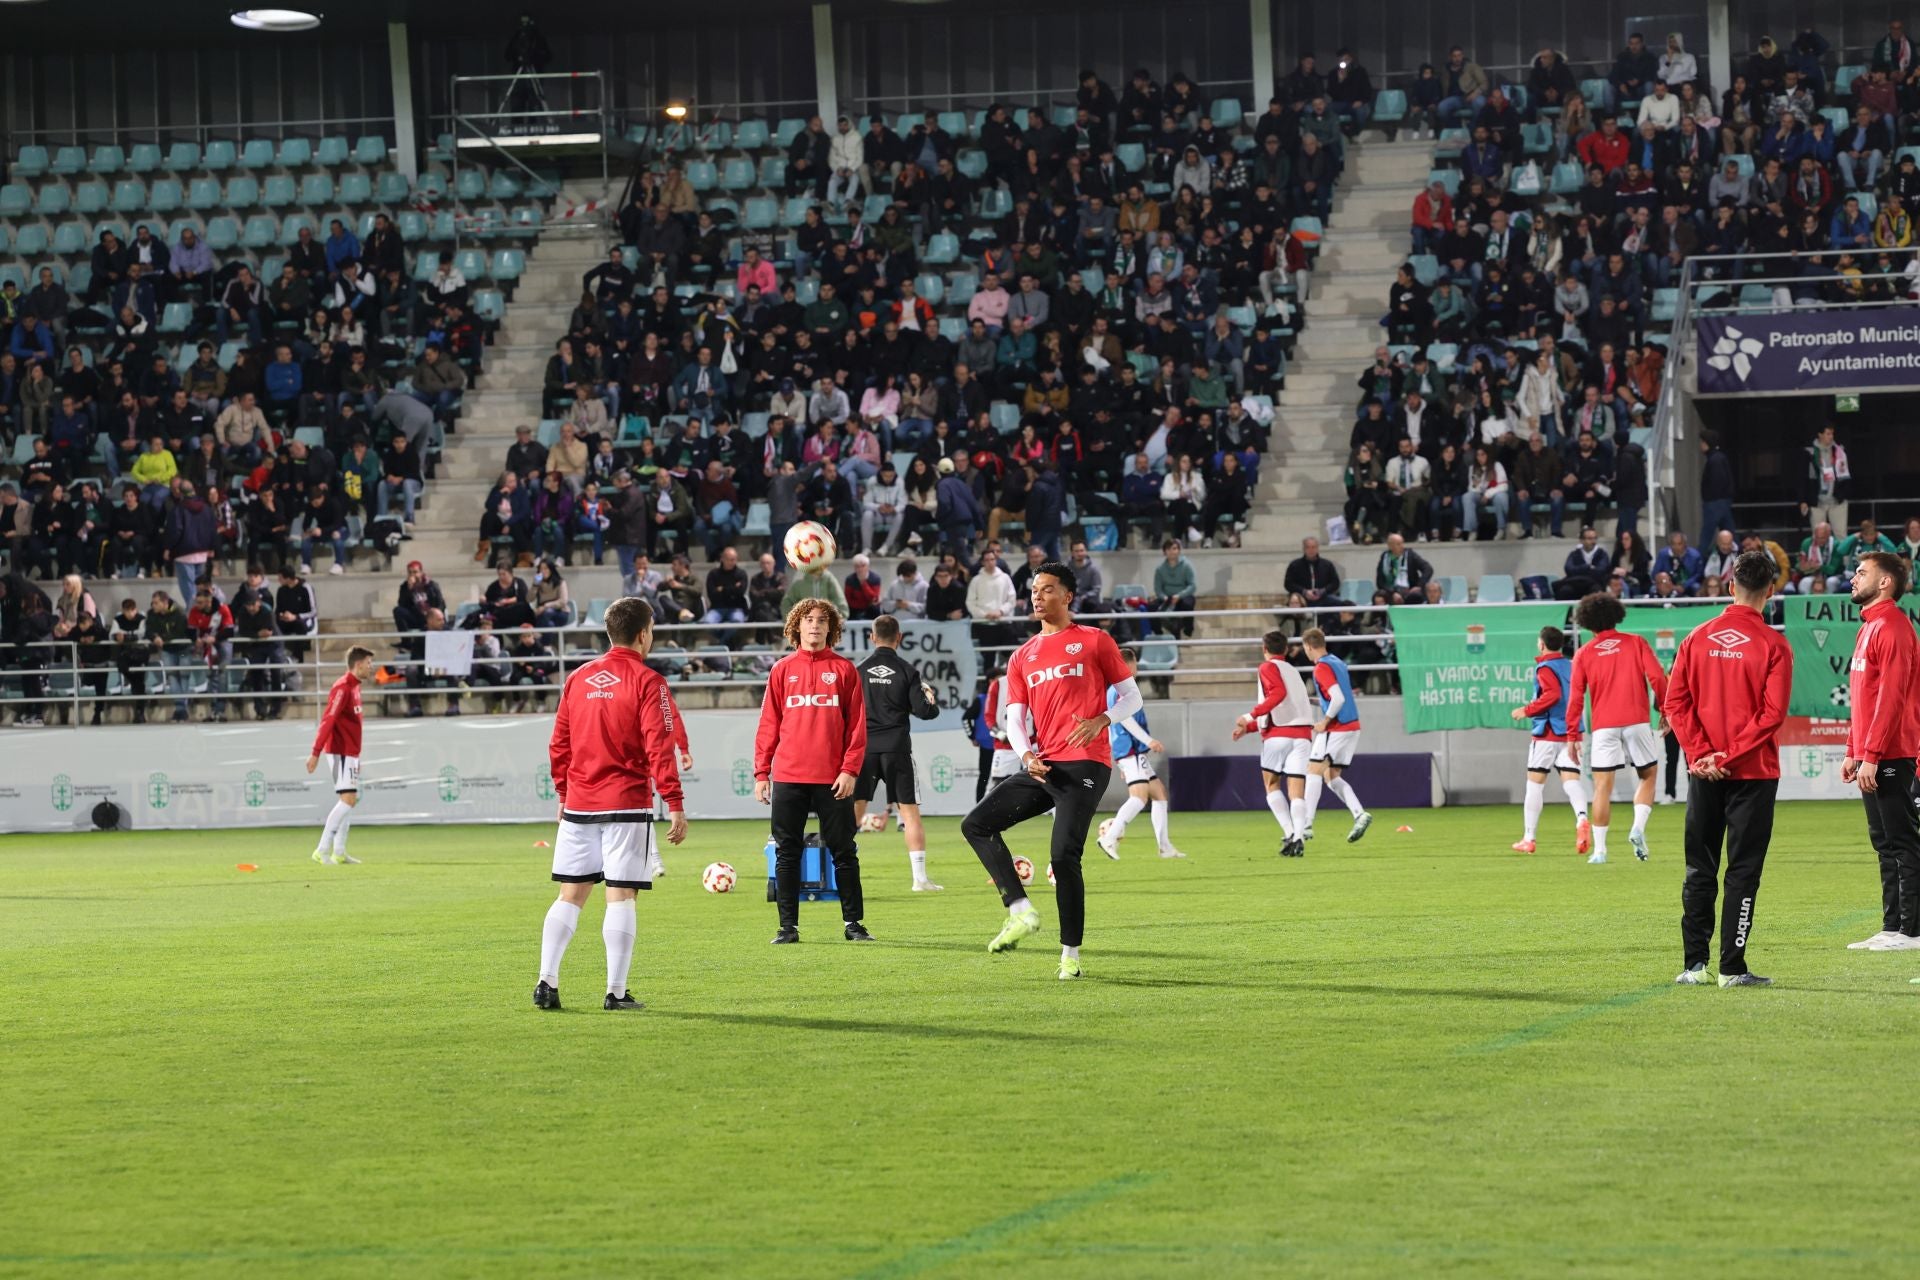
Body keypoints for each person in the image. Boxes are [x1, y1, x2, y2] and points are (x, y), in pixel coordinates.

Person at [959, 559, 1138, 980]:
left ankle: (1070, 955)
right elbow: (1015, 718)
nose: (1038, 596)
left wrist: (1102, 720)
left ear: (1068, 595)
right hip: (1045, 765)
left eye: (1047, 589)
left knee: (1063, 854)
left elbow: (1132, 697)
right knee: (976, 825)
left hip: (1087, 763)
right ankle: (1019, 910)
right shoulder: (1022, 656)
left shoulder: (1094, 641)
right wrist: (1025, 755)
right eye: (1034, 590)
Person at [533, 596, 688, 1013]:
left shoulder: (578, 678)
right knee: (621, 897)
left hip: (580, 804)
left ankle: (546, 981)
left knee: (571, 895)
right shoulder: (648, 681)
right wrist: (674, 801)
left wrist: (563, 794)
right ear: (643, 634)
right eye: (652, 630)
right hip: (625, 804)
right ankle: (615, 992)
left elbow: (558, 744)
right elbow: (660, 747)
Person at [1663, 550, 1792, 986]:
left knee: (1699, 867)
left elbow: (1674, 704)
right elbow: (1772, 714)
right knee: (1743, 871)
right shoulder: (1775, 644)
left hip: (1704, 774)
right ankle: (1731, 968)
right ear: (1771, 592)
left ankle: (1692, 965)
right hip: (1752, 774)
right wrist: (1729, 756)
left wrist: (1703, 755)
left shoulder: (1697, 637)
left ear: (1730, 585)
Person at [754, 599, 872, 945]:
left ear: (830, 628)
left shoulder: (845, 670)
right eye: (808, 619)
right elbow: (768, 725)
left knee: (844, 851)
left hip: (833, 778)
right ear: (797, 626)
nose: (815, 625)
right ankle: (787, 927)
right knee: (787, 852)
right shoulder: (781, 670)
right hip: (789, 776)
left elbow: (857, 729)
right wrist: (762, 773)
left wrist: (850, 770)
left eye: (822, 620)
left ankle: (854, 924)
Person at [1840, 552, 1920, 952]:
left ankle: (1913, 931)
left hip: (1892, 752)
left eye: (1861, 572)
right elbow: (1862, 698)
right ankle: (1892, 927)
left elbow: (1891, 698)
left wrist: (1871, 753)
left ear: (1885, 582)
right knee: (1883, 842)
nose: (1853, 578)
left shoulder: (1894, 628)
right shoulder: (1868, 627)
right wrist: (1853, 749)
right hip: (1872, 752)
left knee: (1903, 840)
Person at [1567, 593, 1668, 864]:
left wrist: (1572, 736)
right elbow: (1658, 676)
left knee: (1602, 788)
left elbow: (1576, 697)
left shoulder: (1584, 653)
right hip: (1637, 721)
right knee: (1648, 776)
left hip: (1603, 727)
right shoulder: (1635, 642)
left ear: (1587, 622)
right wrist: (1665, 708)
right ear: (1616, 615)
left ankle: (1600, 851)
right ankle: (1638, 827)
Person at [852, 614, 943, 892]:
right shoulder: (907, 671)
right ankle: (919, 880)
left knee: (853, 813)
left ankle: (837, 873)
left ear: (872, 637)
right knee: (910, 813)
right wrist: (930, 698)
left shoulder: (858, 671)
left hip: (864, 751)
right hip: (897, 749)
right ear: (899, 637)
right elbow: (926, 713)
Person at [1231, 629, 1315, 857]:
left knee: (1272, 785)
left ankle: (1289, 833)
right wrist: (1249, 729)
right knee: (1297, 791)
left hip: (1278, 736)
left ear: (1264, 649)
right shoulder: (1293, 671)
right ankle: (1298, 837)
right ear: (1286, 650)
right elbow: (1287, 704)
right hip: (1303, 736)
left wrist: (1249, 717)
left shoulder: (1267, 667)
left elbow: (1277, 695)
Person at [1094, 647, 1183, 860]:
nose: (1136, 670)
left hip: (1133, 752)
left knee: (1159, 794)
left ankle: (1165, 847)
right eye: (1134, 665)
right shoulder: (1119, 688)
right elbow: (1124, 718)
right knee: (1139, 797)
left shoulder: (1119, 688)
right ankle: (1109, 837)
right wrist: (1148, 740)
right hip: (1130, 749)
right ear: (1126, 665)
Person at [1510, 625, 1592, 855]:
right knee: (1572, 782)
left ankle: (1529, 837)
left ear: (1542, 644)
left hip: (1547, 733)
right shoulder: (1571, 665)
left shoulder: (1544, 668)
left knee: (1534, 784)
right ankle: (1582, 819)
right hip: (1571, 732)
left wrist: (1526, 710)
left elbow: (1552, 694)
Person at [304, 646, 374, 867]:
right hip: (339, 751)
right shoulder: (342, 688)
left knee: (349, 801)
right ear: (358, 664)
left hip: (350, 752)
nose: (371, 667)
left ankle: (340, 852)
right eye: (369, 663)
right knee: (348, 800)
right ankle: (322, 849)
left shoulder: (355, 687)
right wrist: (315, 752)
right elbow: (328, 720)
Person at [1303, 628, 1372, 843]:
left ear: (1308, 647)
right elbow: (1335, 697)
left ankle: (1304, 825)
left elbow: (1338, 698)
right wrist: (1311, 702)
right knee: (1330, 776)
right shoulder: (1338, 663)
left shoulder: (1321, 668)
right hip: (1352, 726)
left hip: (1337, 727)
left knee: (1313, 770)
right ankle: (1359, 814)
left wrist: (1324, 721)